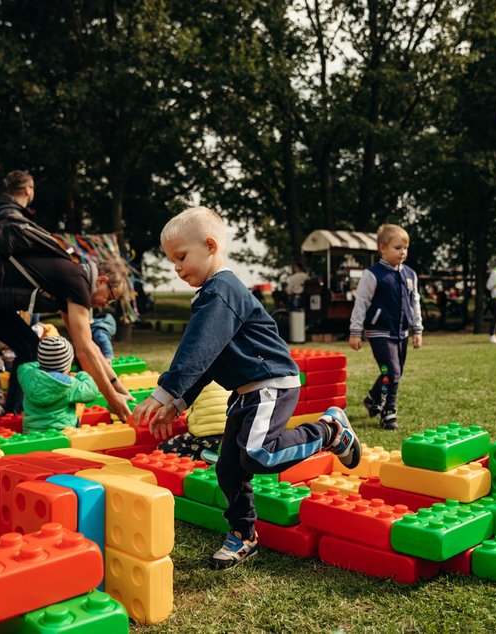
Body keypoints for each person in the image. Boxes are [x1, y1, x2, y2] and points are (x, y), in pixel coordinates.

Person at [133, 206, 361, 570]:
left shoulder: (222, 290)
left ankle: (330, 431)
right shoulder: (212, 294)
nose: (176, 267)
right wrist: (178, 402)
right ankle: (244, 535)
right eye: (171, 260)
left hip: (270, 383)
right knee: (229, 469)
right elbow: (209, 360)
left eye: (180, 257)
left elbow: (197, 349)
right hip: (245, 393)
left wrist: (163, 392)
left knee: (258, 454)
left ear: (209, 245)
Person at [0, 170, 133, 437]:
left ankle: (14, 412)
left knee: (30, 347)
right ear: (102, 280)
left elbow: (92, 348)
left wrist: (116, 384)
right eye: (108, 297)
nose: (102, 304)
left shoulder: (70, 284)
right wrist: (111, 399)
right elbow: (84, 351)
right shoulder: (77, 279)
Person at [348, 224, 423, 431]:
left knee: (389, 373)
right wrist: (355, 332)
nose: (403, 252)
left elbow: (415, 302)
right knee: (391, 370)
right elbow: (361, 303)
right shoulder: (372, 275)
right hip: (379, 332)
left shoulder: (410, 275)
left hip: (402, 333)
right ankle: (388, 412)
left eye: (405, 248)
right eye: (398, 248)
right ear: (382, 248)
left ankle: (373, 397)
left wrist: (417, 329)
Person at [17, 336, 99, 431]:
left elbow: (26, 366)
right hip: (64, 432)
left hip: (31, 433)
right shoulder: (69, 384)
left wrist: (43, 363)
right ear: (69, 363)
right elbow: (92, 391)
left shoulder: (27, 375)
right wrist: (80, 375)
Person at [156, 381, 229, 461]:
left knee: (164, 448)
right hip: (230, 436)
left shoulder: (190, 379)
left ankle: (201, 456)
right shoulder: (228, 377)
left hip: (205, 439)